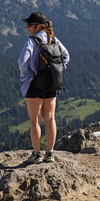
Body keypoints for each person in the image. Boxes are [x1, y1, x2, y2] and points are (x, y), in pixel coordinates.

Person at [18, 12, 70, 163]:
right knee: (50, 118)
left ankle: (36, 154)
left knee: (35, 121)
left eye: (29, 25)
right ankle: (50, 153)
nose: (27, 28)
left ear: (37, 26)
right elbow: (66, 56)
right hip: (52, 84)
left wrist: (27, 76)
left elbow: (22, 61)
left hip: (35, 85)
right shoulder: (53, 39)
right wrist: (56, 71)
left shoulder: (32, 41)